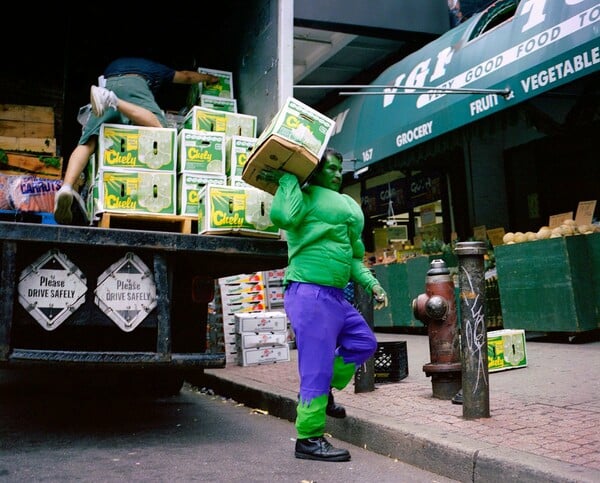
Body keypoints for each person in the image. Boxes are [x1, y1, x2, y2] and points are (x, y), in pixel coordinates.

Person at [259, 148, 388, 462]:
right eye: (329, 168)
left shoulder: (347, 207)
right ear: (314, 172)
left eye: (339, 168)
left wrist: (372, 283)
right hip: (308, 293)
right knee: (314, 369)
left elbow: (354, 257)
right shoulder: (300, 197)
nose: (336, 173)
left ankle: (326, 390)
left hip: (334, 297)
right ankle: (308, 438)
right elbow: (284, 217)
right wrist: (289, 179)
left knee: (364, 342)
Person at [53, 57, 219, 224]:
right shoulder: (155, 68)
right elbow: (186, 77)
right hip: (133, 86)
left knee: (88, 142)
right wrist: (209, 78)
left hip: (107, 82)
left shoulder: (115, 64)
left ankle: (66, 187)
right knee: (163, 130)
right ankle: (113, 100)